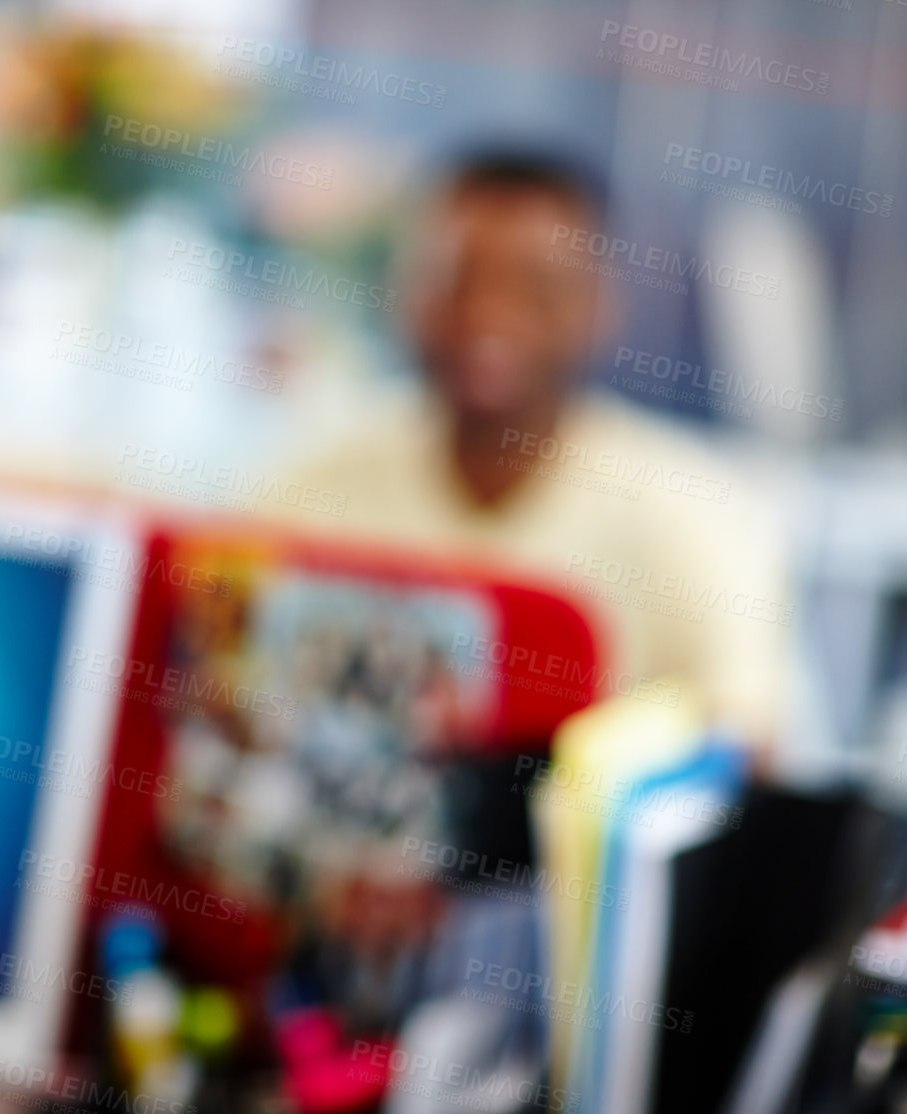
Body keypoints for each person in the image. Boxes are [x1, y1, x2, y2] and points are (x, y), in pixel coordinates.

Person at [293, 151, 792, 754]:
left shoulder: (697, 512)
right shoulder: (310, 485)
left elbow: (749, 742)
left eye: (537, 289)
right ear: (404, 293)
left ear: (599, 306)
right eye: (455, 280)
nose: (489, 316)